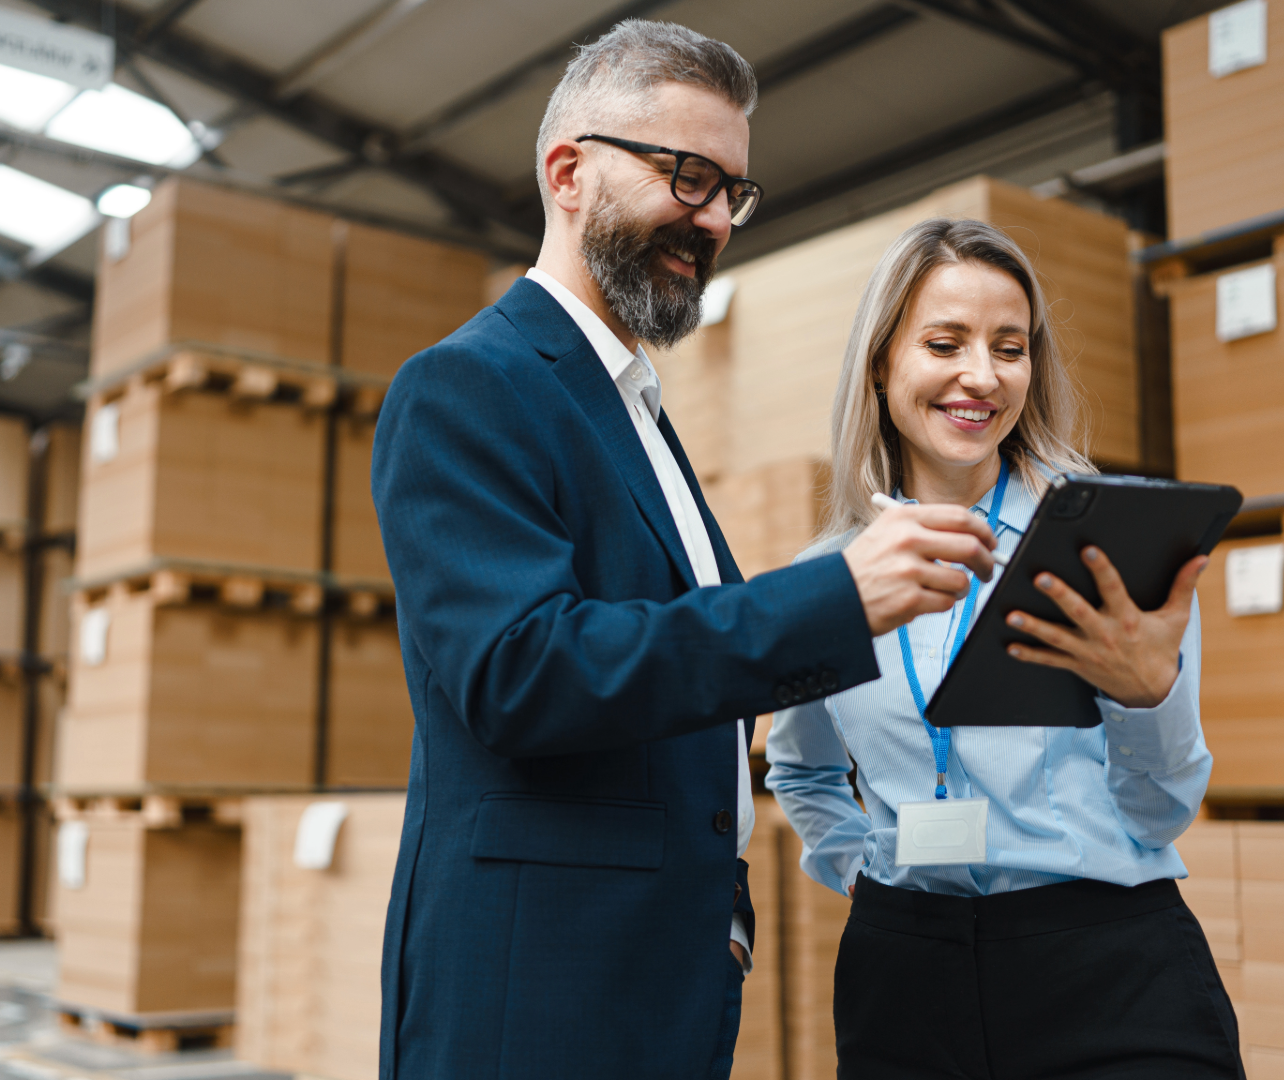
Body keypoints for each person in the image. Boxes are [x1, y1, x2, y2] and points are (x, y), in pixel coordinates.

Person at [369, 20, 1006, 1080]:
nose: (711, 219)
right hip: (538, 994)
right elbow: (520, 673)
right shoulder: (469, 385)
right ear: (568, 172)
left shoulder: (634, 411)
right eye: (687, 176)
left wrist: (729, 913)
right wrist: (831, 599)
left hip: (657, 976)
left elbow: (682, 705)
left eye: (732, 195)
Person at [765, 217, 1242, 1079]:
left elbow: (1160, 813)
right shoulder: (824, 578)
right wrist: (866, 870)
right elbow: (799, 770)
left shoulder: (1112, 540)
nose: (981, 376)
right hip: (904, 977)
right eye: (944, 343)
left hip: (1106, 958)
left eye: (1009, 347)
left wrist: (1147, 698)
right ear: (881, 363)